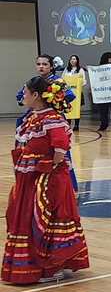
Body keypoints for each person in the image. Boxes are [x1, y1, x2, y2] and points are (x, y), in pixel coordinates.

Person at [3, 76, 89, 284]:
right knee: (25, 215)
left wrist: (47, 169)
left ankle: (52, 266)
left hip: (47, 177)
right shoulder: (33, 116)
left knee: (45, 216)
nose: (22, 96)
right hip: (30, 175)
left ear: (36, 95)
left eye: (25, 93)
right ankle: (31, 264)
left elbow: (60, 148)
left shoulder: (52, 118)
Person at [17, 54, 78, 191]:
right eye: (38, 64)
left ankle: (66, 187)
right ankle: (32, 185)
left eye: (45, 64)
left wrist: (50, 103)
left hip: (49, 118)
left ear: (51, 66)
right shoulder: (34, 81)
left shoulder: (57, 81)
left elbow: (69, 96)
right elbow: (20, 96)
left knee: (58, 152)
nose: (41, 67)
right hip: (35, 116)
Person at [64, 54, 87, 131]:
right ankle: (68, 124)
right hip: (68, 92)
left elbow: (83, 81)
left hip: (77, 92)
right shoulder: (66, 70)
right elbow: (63, 79)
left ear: (77, 61)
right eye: (71, 59)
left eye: (74, 59)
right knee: (68, 108)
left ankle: (76, 125)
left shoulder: (80, 70)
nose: (72, 61)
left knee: (77, 109)